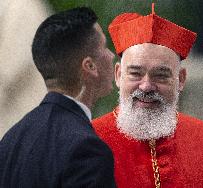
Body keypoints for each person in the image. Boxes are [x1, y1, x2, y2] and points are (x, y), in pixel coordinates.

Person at [92, 4, 203, 188]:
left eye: (161, 75)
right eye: (135, 73)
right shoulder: (85, 144)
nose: (147, 86)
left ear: (180, 79)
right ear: (118, 75)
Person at [0, 7, 116, 187]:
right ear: (90, 66)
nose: (111, 56)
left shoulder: (11, 140)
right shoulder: (87, 149)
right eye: (105, 47)